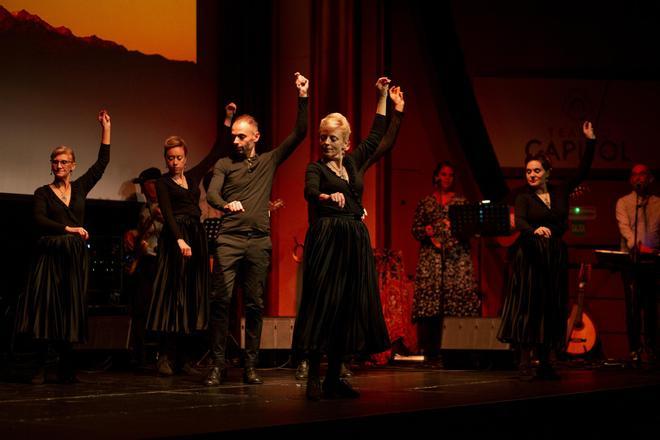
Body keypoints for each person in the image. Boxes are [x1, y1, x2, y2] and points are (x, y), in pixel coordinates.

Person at [292, 79, 405, 400]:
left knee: (346, 307)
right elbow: (310, 193)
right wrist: (329, 197)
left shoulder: (354, 162)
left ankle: (334, 377)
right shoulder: (315, 168)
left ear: (345, 142)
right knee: (322, 304)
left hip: (353, 239)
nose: (326, 143)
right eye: (323, 137)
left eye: (332, 138)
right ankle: (314, 375)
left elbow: (376, 133)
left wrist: (381, 97)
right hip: (328, 238)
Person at [203, 72, 309, 386]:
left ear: (256, 137)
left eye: (241, 137)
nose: (235, 141)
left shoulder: (268, 161)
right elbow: (211, 193)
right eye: (233, 136)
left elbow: (300, 132)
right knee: (221, 302)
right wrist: (225, 204)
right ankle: (218, 366)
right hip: (229, 241)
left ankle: (250, 366)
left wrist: (302, 97)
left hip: (258, 242)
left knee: (254, 305)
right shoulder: (224, 164)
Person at [15, 110, 112, 384]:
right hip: (51, 255)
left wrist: (106, 129)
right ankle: (42, 366)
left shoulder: (80, 188)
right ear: (51, 165)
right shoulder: (42, 192)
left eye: (64, 162)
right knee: (48, 309)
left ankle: (66, 368)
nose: (59, 166)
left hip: (74, 258)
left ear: (73, 165)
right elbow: (38, 219)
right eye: (55, 162)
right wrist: (68, 228)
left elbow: (103, 162)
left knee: (70, 309)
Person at [498, 121, 596, 380]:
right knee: (529, 306)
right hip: (530, 256)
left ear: (547, 172)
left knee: (551, 306)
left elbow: (582, 172)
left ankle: (545, 361)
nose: (531, 175)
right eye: (528, 171)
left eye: (536, 170)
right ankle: (523, 361)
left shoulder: (560, 191)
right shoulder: (522, 197)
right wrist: (534, 231)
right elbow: (519, 221)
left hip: (554, 256)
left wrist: (591, 141)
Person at [146, 104, 235, 375]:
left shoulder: (194, 176)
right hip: (176, 240)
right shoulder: (162, 183)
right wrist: (179, 240)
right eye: (170, 158)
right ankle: (164, 356)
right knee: (171, 297)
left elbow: (217, 151)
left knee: (190, 298)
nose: (174, 162)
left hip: (195, 237)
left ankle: (183, 359)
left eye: (178, 157)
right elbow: (169, 215)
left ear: (185, 158)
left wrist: (228, 119)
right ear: (166, 159)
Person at [411, 162, 481, 366]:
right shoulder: (426, 202)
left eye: (451, 175)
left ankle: (456, 351)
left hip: (456, 257)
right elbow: (415, 229)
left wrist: (457, 227)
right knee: (432, 304)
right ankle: (431, 351)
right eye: (443, 174)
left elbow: (473, 230)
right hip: (431, 257)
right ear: (436, 176)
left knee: (457, 301)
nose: (447, 178)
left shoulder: (461, 202)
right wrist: (427, 230)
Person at [615, 163, 660, 364]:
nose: (639, 178)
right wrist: (638, 246)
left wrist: (652, 250)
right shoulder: (623, 203)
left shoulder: (658, 203)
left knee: (651, 307)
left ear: (650, 178)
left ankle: (652, 348)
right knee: (632, 307)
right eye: (635, 175)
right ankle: (634, 349)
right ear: (630, 180)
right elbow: (625, 229)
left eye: (643, 174)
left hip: (653, 262)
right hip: (632, 263)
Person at [123, 167, 163, 367]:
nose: (142, 188)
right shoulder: (144, 208)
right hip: (144, 261)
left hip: (160, 262)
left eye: (144, 184)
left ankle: (163, 355)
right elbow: (141, 232)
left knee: (160, 309)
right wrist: (132, 233)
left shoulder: (166, 206)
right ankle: (139, 355)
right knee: (139, 309)